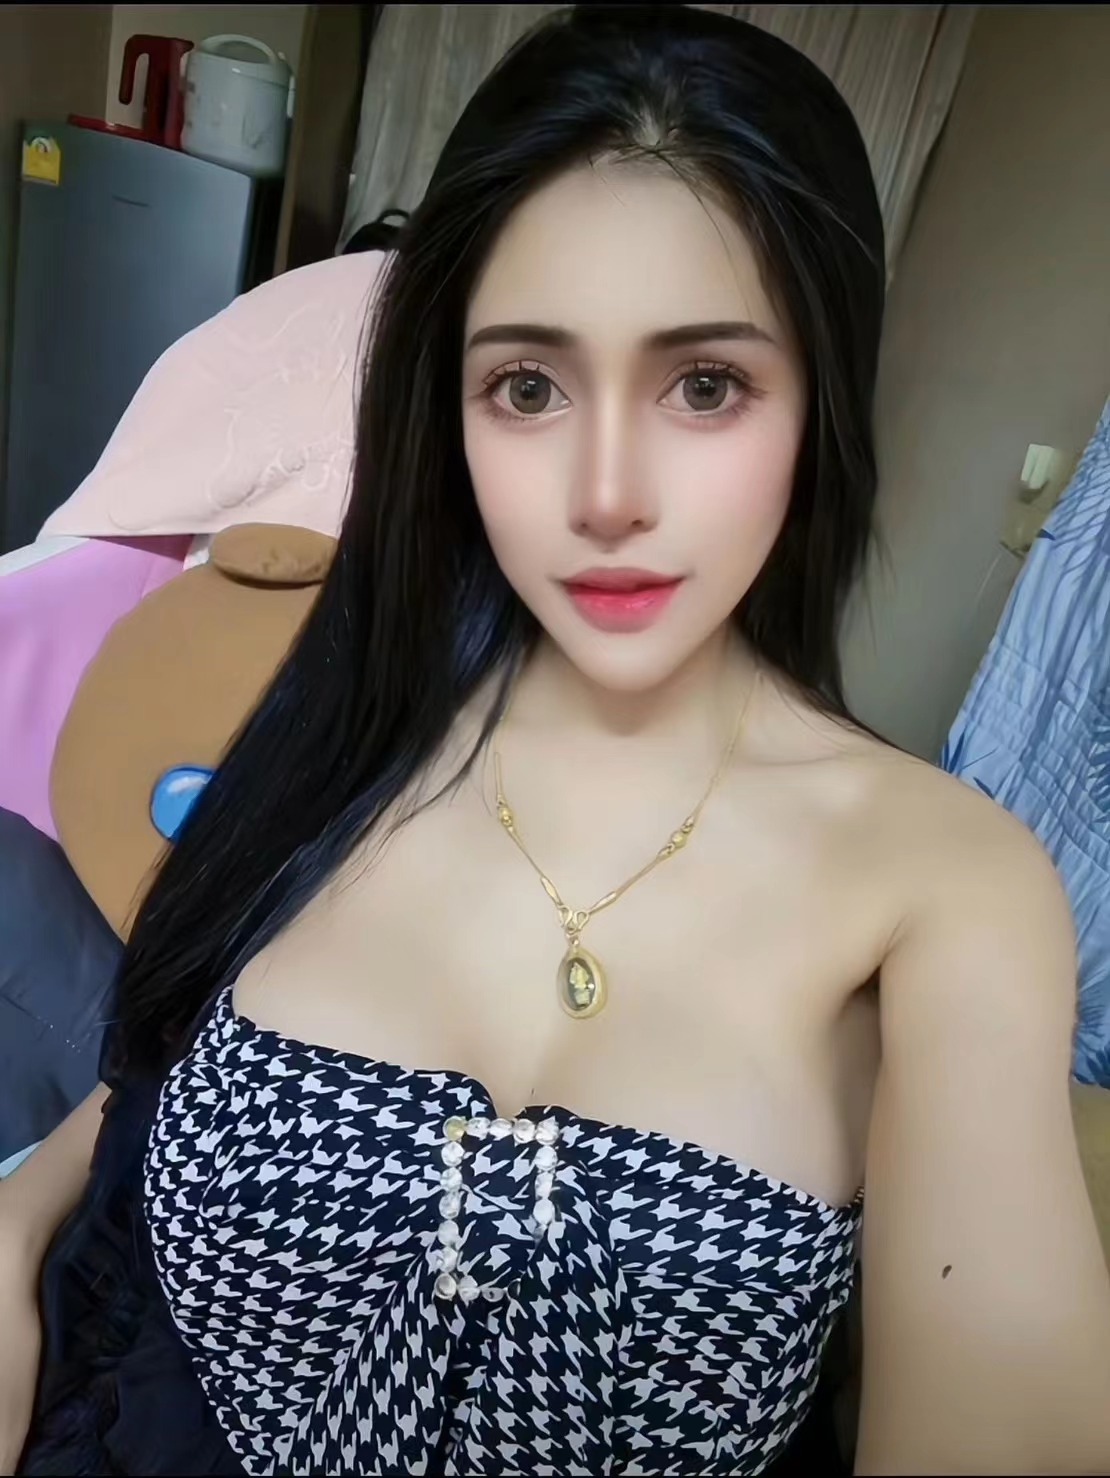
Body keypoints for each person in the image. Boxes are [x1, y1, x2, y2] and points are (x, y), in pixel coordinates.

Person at [3, 6, 1110, 1474]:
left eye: (704, 385)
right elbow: (164, 1070)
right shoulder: (354, 711)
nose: (604, 494)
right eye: (527, 387)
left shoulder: (947, 884)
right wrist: (14, 1225)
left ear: (819, 401)